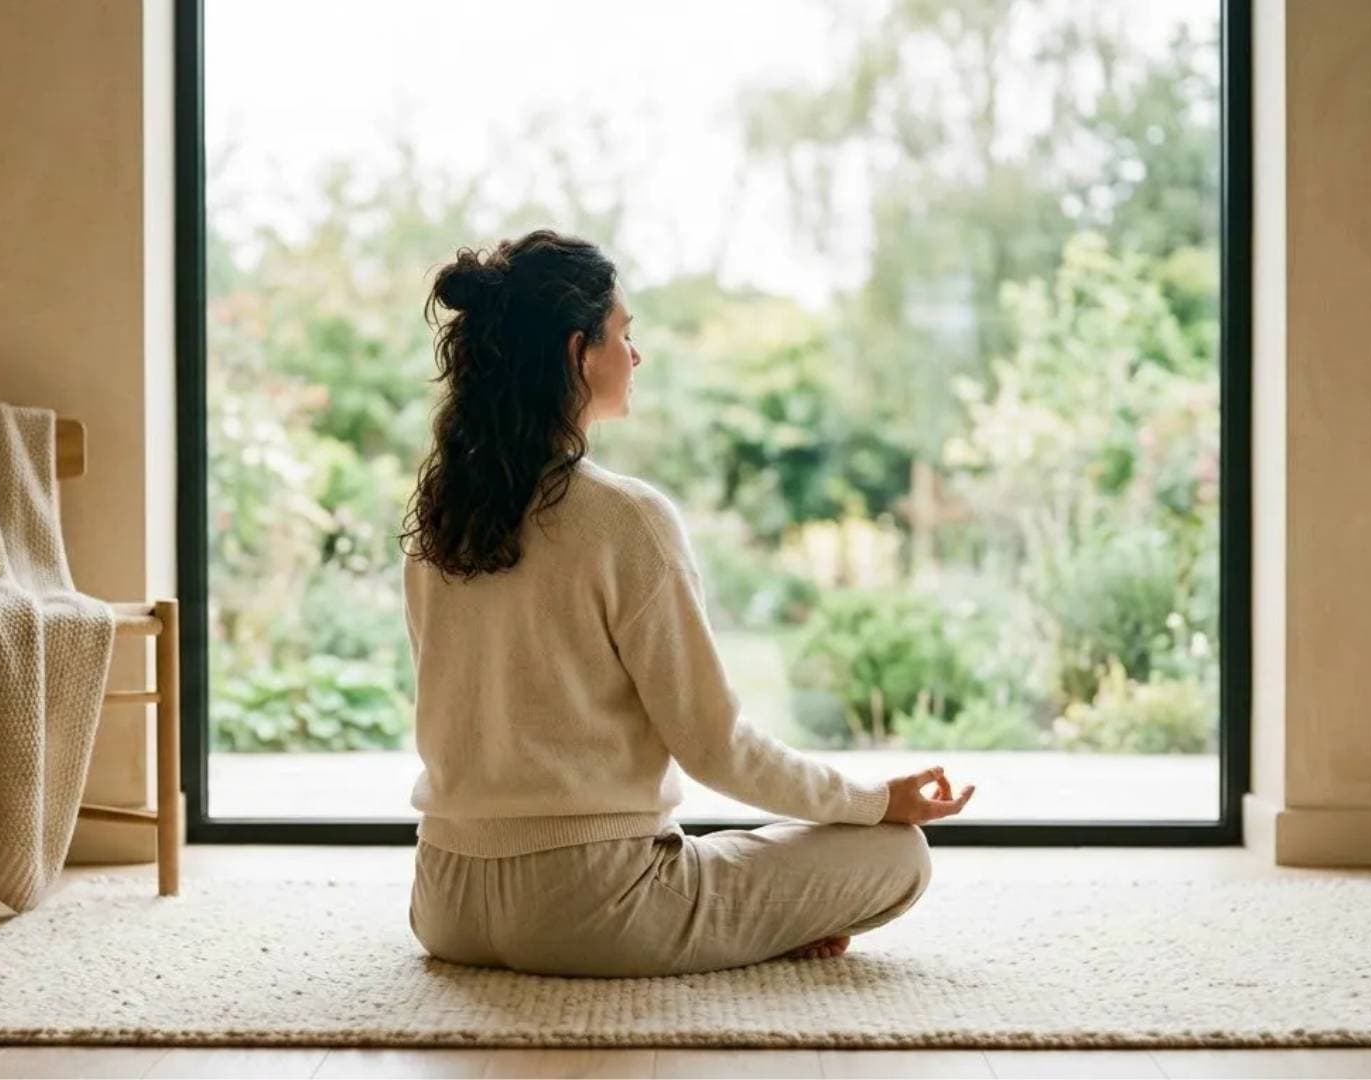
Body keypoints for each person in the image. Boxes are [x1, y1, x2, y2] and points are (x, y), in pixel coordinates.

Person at [399, 229, 976, 978]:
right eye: (624, 335)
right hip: (592, 912)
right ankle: (761, 930)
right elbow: (715, 746)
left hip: (445, 906)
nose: (635, 356)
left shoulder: (437, 524)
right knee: (897, 853)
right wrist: (872, 801)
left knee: (737, 854)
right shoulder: (627, 519)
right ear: (578, 352)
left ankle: (750, 922)